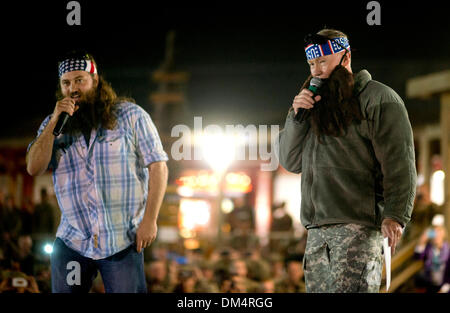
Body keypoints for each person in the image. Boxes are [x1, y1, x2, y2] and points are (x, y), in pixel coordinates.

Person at [278, 29, 417, 292]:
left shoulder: (379, 99)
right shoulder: (312, 106)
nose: (316, 71)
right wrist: (296, 117)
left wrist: (396, 215)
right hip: (316, 233)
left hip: (358, 229)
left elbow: (400, 163)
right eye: (311, 64)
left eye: (322, 62)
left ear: (346, 58)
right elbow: (290, 160)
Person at [26, 51, 169, 293]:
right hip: (73, 240)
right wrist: (53, 124)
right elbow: (33, 167)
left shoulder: (130, 116)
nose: (73, 88)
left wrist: (150, 220)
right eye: (66, 83)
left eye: (79, 80)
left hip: (121, 239)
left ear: (96, 80)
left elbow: (159, 166)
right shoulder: (54, 126)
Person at [414, 214, 450, 293]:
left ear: (443, 233)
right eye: (434, 232)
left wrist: (444, 290)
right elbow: (417, 256)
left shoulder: (448, 250)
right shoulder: (429, 248)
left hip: (445, 286)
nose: (436, 235)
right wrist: (422, 240)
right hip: (430, 285)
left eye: (439, 231)